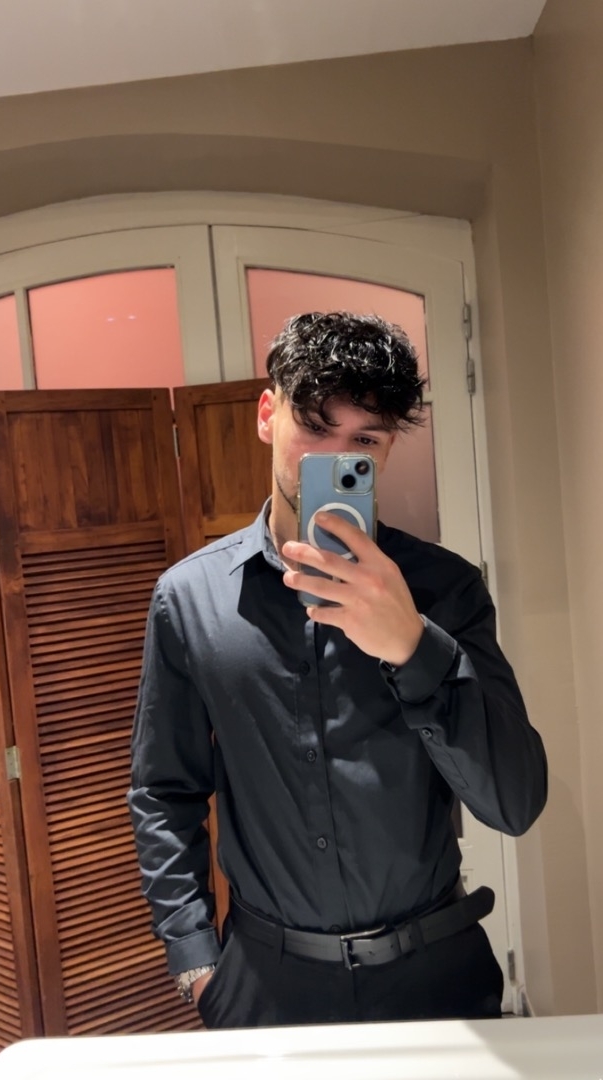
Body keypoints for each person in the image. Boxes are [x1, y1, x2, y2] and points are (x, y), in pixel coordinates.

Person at [128, 311, 547, 1029]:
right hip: (264, 984)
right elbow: (164, 790)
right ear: (268, 415)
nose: (334, 455)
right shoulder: (189, 598)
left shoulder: (444, 590)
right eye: (315, 426)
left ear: (388, 449)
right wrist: (195, 959)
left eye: (364, 440)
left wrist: (413, 646)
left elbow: (513, 803)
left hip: (436, 979)